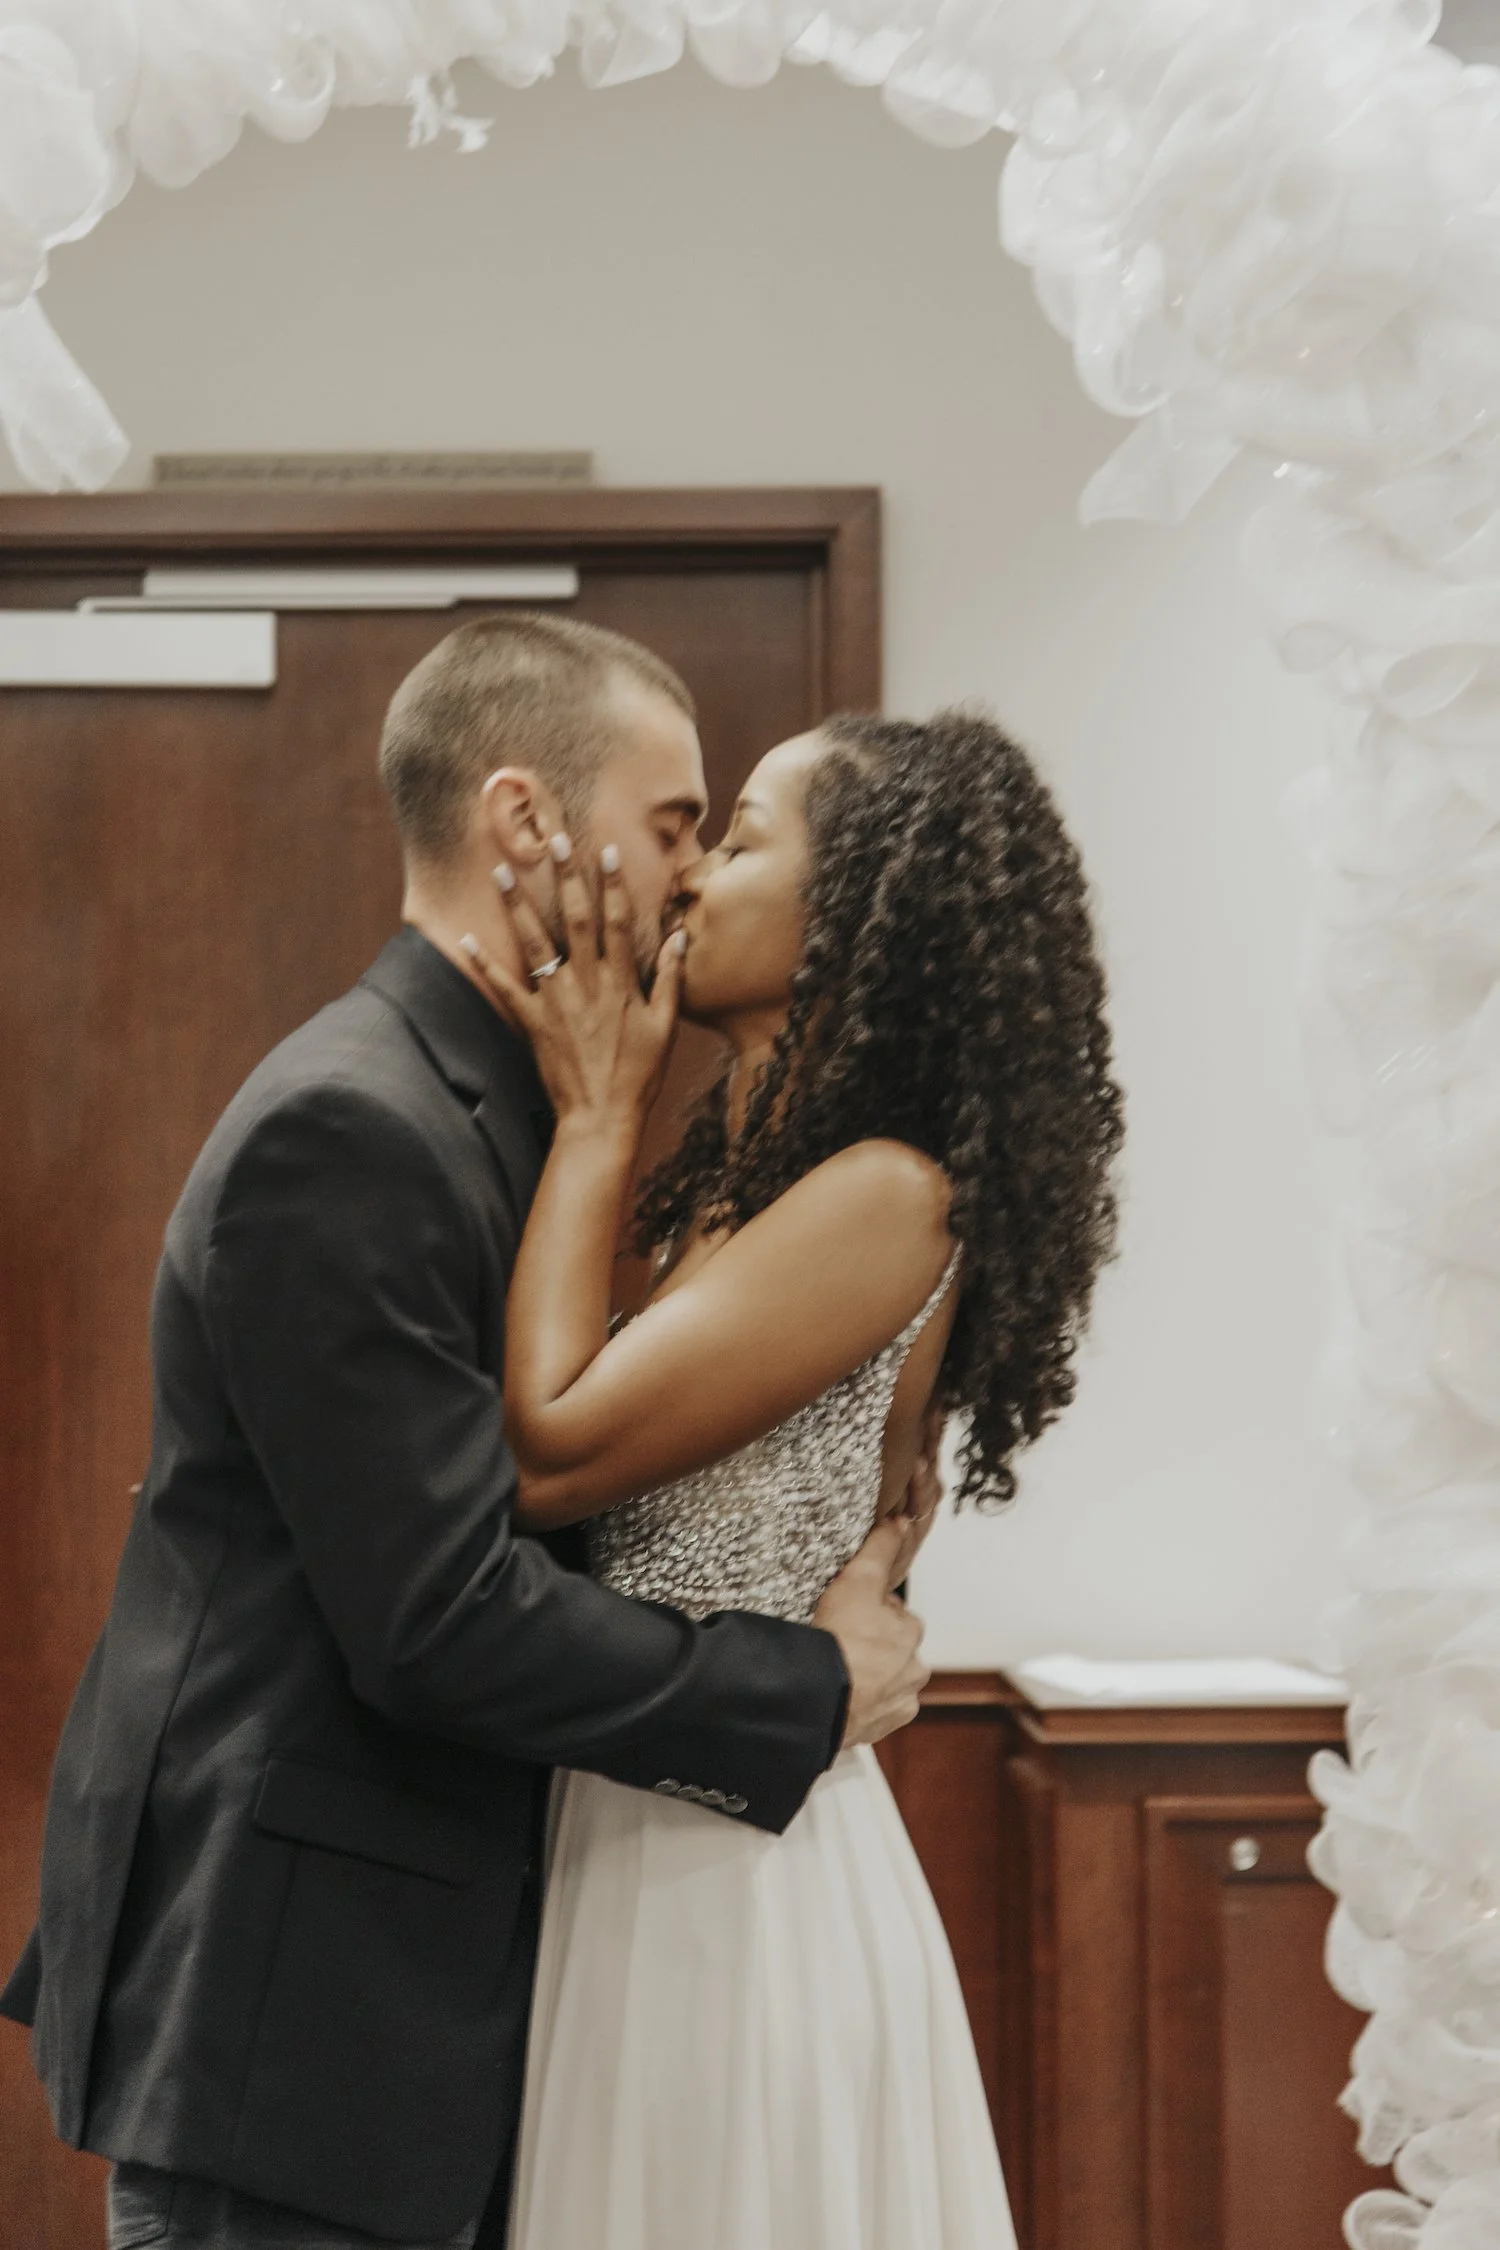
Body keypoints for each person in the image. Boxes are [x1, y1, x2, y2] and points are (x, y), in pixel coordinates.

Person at [0, 614, 938, 2250]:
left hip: (428, 1992)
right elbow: (437, 1618)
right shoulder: (358, 1122)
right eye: (673, 825)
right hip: (300, 2014)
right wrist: (804, 1686)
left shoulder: (527, 1108)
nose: (691, 877)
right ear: (524, 822)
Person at [459, 705, 1125, 2249]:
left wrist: (597, 1114)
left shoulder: (885, 1193)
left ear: (858, 917)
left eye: (741, 839)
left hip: (735, 1888)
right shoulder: (742, 1188)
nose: (689, 876)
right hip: (638, 1838)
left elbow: (548, 1453)